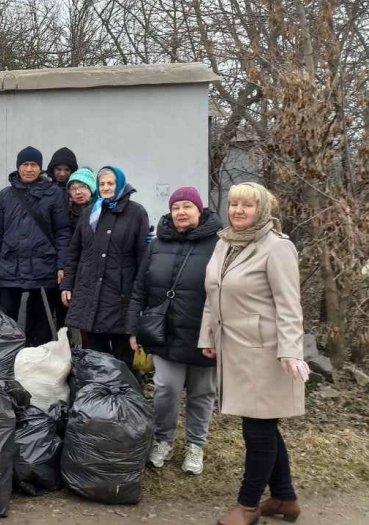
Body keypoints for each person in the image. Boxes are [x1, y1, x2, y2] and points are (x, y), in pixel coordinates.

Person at [199, 183, 308, 525]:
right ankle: (284, 499)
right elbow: (212, 295)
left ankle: (248, 507)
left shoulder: (276, 248)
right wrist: (208, 336)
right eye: (233, 204)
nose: (238, 211)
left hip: (267, 353)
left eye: (247, 205)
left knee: (257, 430)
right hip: (235, 349)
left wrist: (290, 350)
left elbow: (290, 306)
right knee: (262, 425)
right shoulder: (225, 242)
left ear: (262, 209)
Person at [127, 187, 220, 475]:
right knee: (166, 388)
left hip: (204, 333)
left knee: (202, 392)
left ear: (199, 210)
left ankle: (195, 444)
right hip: (164, 332)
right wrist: (133, 328)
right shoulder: (157, 244)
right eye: (176, 207)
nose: (181, 212)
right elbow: (140, 288)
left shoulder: (219, 243)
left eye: (187, 207)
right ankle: (163, 439)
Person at [0, 147, 72, 346]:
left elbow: (62, 232)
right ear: (18, 167)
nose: (29, 169)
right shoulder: (4, 196)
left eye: (34, 165)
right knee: (6, 321)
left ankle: (37, 362)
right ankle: (6, 363)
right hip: (10, 266)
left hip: (43, 267)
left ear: (40, 168)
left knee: (41, 323)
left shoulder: (54, 194)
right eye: (25, 164)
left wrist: (61, 265)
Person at [61, 166, 150, 367]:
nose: (106, 187)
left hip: (120, 296)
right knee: (93, 360)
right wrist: (67, 285)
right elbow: (75, 251)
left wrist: (142, 294)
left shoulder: (136, 213)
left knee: (121, 361)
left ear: (120, 184)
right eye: (102, 184)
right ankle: (95, 397)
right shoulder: (90, 213)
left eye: (110, 183)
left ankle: (124, 397)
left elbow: (142, 256)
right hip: (89, 294)